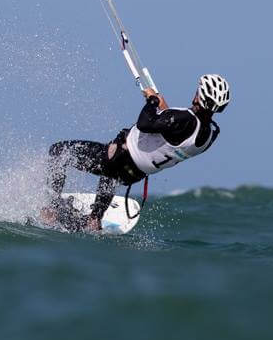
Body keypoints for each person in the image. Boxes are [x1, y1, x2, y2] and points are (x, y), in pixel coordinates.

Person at [44, 74, 229, 232]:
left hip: (119, 157)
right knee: (110, 177)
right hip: (134, 174)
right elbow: (176, 138)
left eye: (198, 91)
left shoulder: (184, 119)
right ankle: (94, 220)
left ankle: (50, 212)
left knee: (58, 152)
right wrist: (165, 111)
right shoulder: (210, 135)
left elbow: (145, 124)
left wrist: (152, 101)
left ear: (200, 97)